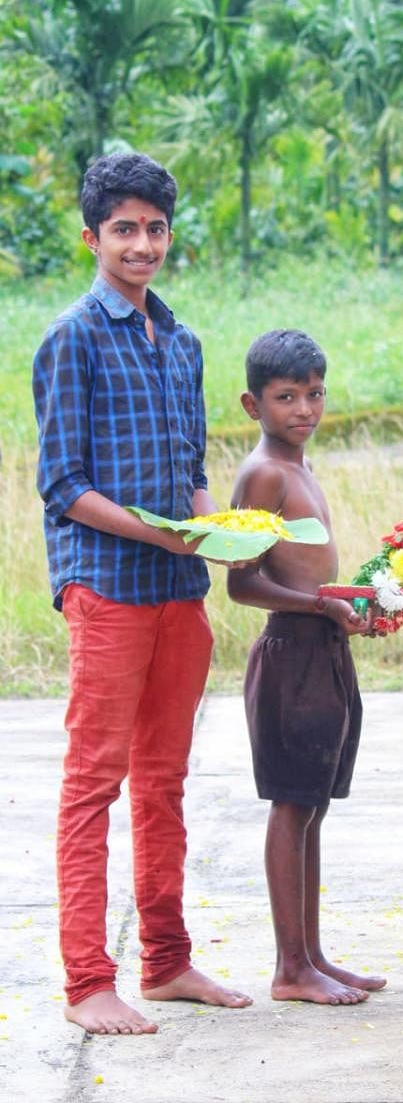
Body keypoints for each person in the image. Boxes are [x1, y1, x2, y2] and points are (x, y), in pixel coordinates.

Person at [32, 152, 252, 1036]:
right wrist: (160, 531)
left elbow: (192, 471)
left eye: (155, 228)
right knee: (95, 783)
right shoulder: (72, 336)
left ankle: (166, 963)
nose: (143, 244)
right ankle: (89, 979)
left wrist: (218, 533)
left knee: (164, 784)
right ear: (92, 238)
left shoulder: (185, 341)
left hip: (179, 591)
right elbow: (62, 483)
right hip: (108, 592)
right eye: (124, 229)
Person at [226, 329, 387, 1005]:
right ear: (251, 404)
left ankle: (312, 955)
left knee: (314, 805)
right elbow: (240, 583)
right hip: (291, 650)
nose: (303, 409)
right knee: (292, 806)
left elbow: (309, 572)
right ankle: (290, 968)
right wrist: (320, 609)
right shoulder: (263, 472)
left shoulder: (301, 466)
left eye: (314, 394)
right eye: (286, 397)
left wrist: (349, 604)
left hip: (322, 647)